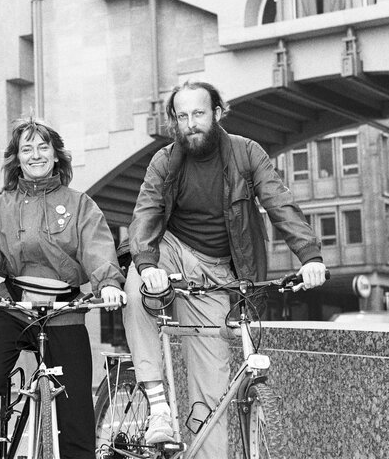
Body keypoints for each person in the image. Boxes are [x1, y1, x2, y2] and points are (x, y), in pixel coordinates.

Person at [122, 80, 327, 457]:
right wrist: (148, 264)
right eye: (181, 116)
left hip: (219, 274)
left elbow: (279, 202)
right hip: (172, 252)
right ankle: (158, 406)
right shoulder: (165, 161)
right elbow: (146, 214)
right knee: (138, 288)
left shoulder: (246, 153)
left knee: (211, 394)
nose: (190, 123)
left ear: (216, 113)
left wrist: (310, 256)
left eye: (198, 113)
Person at [0, 118, 126, 459]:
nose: (36, 155)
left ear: (56, 154)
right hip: (14, 309)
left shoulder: (80, 204)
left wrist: (108, 283)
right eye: (27, 149)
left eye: (43, 147)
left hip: (64, 311)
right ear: (16, 158)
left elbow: (97, 248)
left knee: (77, 412)